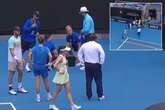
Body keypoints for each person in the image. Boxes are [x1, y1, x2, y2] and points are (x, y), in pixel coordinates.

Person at [49, 46, 81, 110]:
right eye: (66, 50)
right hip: (60, 77)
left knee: (68, 91)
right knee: (57, 91)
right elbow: (54, 65)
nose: (67, 51)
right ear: (62, 51)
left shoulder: (63, 56)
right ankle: (52, 105)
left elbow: (56, 62)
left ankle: (72, 106)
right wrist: (60, 70)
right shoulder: (60, 57)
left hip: (65, 76)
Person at [78, 34, 105, 101]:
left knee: (88, 81)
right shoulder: (98, 45)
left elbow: (79, 54)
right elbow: (102, 54)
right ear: (95, 39)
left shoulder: (84, 45)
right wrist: (101, 62)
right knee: (98, 81)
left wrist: (82, 62)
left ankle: (89, 96)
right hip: (96, 65)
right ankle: (100, 96)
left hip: (87, 65)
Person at [28, 35, 52, 102]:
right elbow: (50, 56)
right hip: (43, 67)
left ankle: (38, 97)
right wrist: (49, 64)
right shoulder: (46, 48)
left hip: (35, 66)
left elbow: (29, 54)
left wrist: (30, 62)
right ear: (44, 41)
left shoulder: (34, 48)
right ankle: (49, 95)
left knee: (37, 82)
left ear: (38, 41)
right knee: (46, 82)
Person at [8, 26, 28, 95]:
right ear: (14, 31)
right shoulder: (11, 39)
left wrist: (21, 58)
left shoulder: (19, 38)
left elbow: (19, 49)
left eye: (19, 31)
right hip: (12, 60)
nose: (19, 32)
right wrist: (16, 58)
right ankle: (10, 88)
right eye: (17, 31)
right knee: (11, 73)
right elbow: (11, 51)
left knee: (20, 72)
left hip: (19, 59)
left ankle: (19, 87)